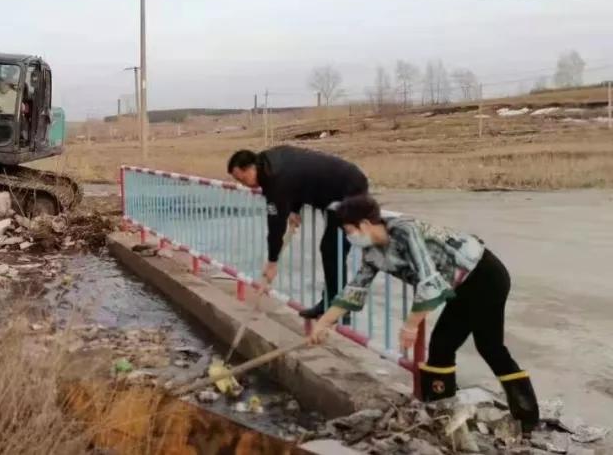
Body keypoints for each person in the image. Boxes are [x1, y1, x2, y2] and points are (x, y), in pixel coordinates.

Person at [308, 194, 539, 432]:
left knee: (444, 346)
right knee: (489, 347)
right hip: (467, 283)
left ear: (365, 224)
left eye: (349, 230)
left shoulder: (405, 232)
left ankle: (443, 418)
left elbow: (429, 282)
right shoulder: (373, 252)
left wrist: (410, 325)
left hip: (483, 275)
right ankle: (526, 418)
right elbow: (354, 289)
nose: (349, 237)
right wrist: (323, 323)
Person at [227, 146, 369, 318]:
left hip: (348, 189)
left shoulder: (275, 178)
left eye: (243, 180)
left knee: (333, 248)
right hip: (334, 190)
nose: (244, 185)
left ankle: (337, 307)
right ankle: (332, 304)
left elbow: (276, 225)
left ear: (250, 168)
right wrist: (294, 209)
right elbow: (298, 178)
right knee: (330, 248)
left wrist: (272, 262)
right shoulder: (268, 163)